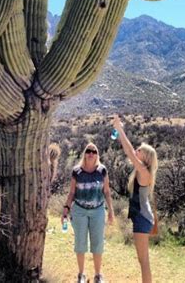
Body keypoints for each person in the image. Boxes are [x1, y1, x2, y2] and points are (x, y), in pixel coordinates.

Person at [111, 115, 158, 283]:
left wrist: (119, 128)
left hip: (142, 218)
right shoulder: (142, 171)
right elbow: (131, 151)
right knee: (142, 260)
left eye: (140, 150)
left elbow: (128, 151)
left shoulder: (144, 172)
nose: (137, 151)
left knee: (144, 261)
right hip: (143, 217)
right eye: (138, 149)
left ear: (145, 157)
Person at [62, 143, 114, 283]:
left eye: (94, 151)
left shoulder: (102, 171)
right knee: (80, 243)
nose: (91, 154)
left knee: (97, 243)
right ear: (84, 153)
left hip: (98, 210)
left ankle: (98, 275)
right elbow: (72, 192)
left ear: (97, 154)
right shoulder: (77, 171)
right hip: (79, 211)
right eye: (88, 151)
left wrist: (111, 211)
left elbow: (107, 192)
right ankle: (81, 275)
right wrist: (66, 209)